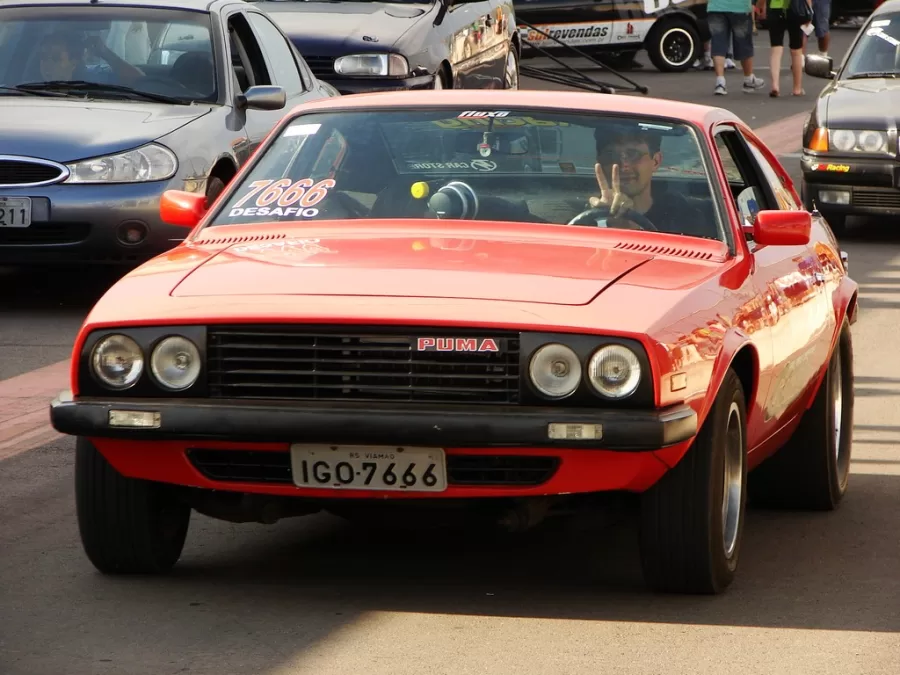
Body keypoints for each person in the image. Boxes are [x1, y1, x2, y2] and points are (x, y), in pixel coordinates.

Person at [586, 127, 709, 238]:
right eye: (611, 155)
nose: (624, 165)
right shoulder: (584, 218)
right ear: (600, 163)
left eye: (633, 154)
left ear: (655, 161)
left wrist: (630, 229)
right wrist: (603, 220)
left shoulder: (684, 217)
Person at [36, 31, 144, 85]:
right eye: (43, 57)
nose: (47, 64)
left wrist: (106, 54)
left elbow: (141, 81)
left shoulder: (95, 81)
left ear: (74, 62)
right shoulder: (25, 87)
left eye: (56, 58)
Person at [707, 0, 766, 95]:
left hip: (715, 6)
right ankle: (748, 79)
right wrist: (759, 6)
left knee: (718, 42)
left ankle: (720, 82)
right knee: (744, 42)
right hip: (740, 7)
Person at [758, 0, 811, 96]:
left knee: (776, 48)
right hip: (795, 9)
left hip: (775, 8)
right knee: (796, 50)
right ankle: (797, 88)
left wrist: (760, 6)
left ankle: (775, 85)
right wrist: (809, 11)